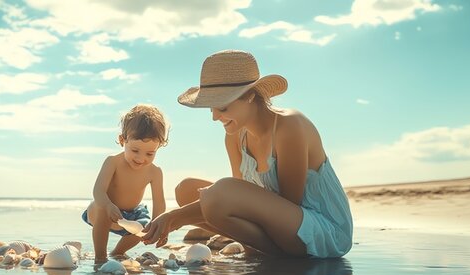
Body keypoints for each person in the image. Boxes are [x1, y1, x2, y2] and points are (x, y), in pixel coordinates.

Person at [142, 50, 353, 258]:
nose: (215, 117)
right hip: (279, 225)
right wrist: (181, 216)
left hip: (321, 230)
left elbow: (289, 203)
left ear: (250, 96)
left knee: (218, 193)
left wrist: (176, 217)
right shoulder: (234, 136)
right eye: (211, 109)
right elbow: (239, 196)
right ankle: (258, 249)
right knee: (186, 190)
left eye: (222, 108)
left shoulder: (290, 126)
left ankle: (264, 251)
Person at [83, 104, 169, 262]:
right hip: (104, 210)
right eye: (135, 150)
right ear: (122, 140)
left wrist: (160, 229)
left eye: (150, 153)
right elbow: (98, 191)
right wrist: (108, 205)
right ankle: (100, 257)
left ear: (159, 147)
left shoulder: (155, 172)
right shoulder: (112, 162)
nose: (141, 158)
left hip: (131, 215)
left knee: (145, 226)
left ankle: (118, 252)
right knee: (101, 209)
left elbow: (159, 204)